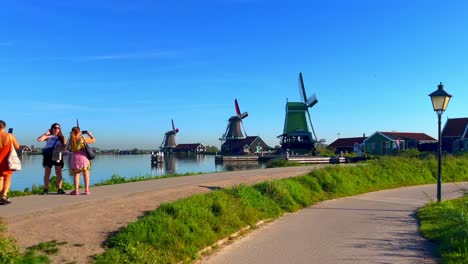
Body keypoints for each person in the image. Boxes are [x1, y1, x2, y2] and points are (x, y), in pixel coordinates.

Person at [37, 123, 67, 194]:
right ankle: (46, 189)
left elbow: (65, 147)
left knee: (58, 172)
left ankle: (59, 188)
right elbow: (39, 139)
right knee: (47, 172)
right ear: (52, 128)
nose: (56, 129)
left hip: (57, 154)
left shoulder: (62, 137)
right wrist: (46, 133)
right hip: (48, 155)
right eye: (55, 128)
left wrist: (61, 147)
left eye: (58, 128)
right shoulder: (48, 136)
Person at [67, 127, 95, 195]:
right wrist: (89, 133)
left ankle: (76, 190)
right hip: (84, 158)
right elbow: (93, 140)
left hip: (75, 158)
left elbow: (68, 148)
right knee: (86, 174)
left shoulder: (71, 139)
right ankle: (86, 190)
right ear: (79, 132)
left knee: (76, 175)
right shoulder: (82, 139)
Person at [0, 120, 20, 205]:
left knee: (0, 179)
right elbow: (17, 146)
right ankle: (4, 195)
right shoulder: (9, 136)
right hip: (6, 161)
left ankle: (0, 197)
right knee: (7, 178)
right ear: (4, 127)